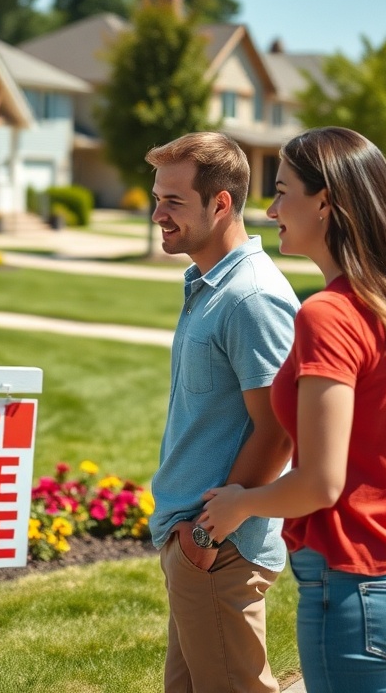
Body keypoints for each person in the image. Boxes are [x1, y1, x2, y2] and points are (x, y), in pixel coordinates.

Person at [200, 126, 386, 693]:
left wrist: (241, 504)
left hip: (360, 586)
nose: (272, 208)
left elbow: (321, 484)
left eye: (282, 191)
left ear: (325, 201)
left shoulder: (329, 316)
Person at [146, 131, 300, 693]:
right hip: (197, 545)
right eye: (157, 198)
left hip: (219, 547)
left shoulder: (250, 298)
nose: (157, 213)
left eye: (173, 201)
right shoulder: (210, 285)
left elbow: (281, 428)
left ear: (221, 203)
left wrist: (206, 539)